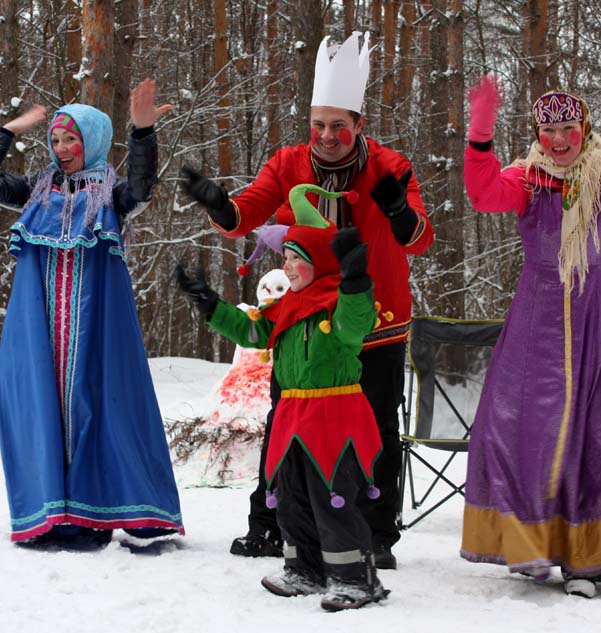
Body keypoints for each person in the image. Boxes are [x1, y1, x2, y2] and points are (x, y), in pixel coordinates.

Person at [181, 31, 433, 569]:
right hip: (304, 325)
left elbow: (420, 237)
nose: (327, 136)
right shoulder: (288, 162)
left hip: (374, 321)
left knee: (376, 429)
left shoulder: (389, 165)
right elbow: (245, 214)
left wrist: (397, 212)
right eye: (318, 125)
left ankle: (375, 534)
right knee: (287, 422)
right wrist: (219, 205)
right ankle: (273, 525)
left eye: (339, 126)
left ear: (359, 125)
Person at [460, 72, 601, 597]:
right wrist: (480, 135)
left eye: (568, 129)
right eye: (548, 130)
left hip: (599, 322)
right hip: (538, 324)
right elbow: (485, 195)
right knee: (522, 428)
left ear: (584, 130)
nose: (558, 140)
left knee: (600, 431)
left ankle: (589, 559)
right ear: (537, 134)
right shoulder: (527, 179)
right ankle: (531, 543)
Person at [0, 79, 184, 549]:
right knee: (44, 407)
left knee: (100, 407)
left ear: (94, 143)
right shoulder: (34, 192)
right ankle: (53, 510)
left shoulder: (111, 193)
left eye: (72, 140)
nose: (61, 148)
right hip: (43, 333)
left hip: (96, 331)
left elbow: (144, 188)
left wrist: (143, 131)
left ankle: (104, 507)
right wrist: (6, 131)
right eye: (56, 140)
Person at [177, 184, 389, 611]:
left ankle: (355, 578)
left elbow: (355, 325)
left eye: (298, 260)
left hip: (333, 414)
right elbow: (251, 330)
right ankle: (305, 568)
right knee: (293, 497)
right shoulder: (288, 307)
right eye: (286, 258)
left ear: (322, 263)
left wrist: (355, 280)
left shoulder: (338, 304)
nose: (288, 268)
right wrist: (210, 303)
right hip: (293, 413)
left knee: (332, 496)